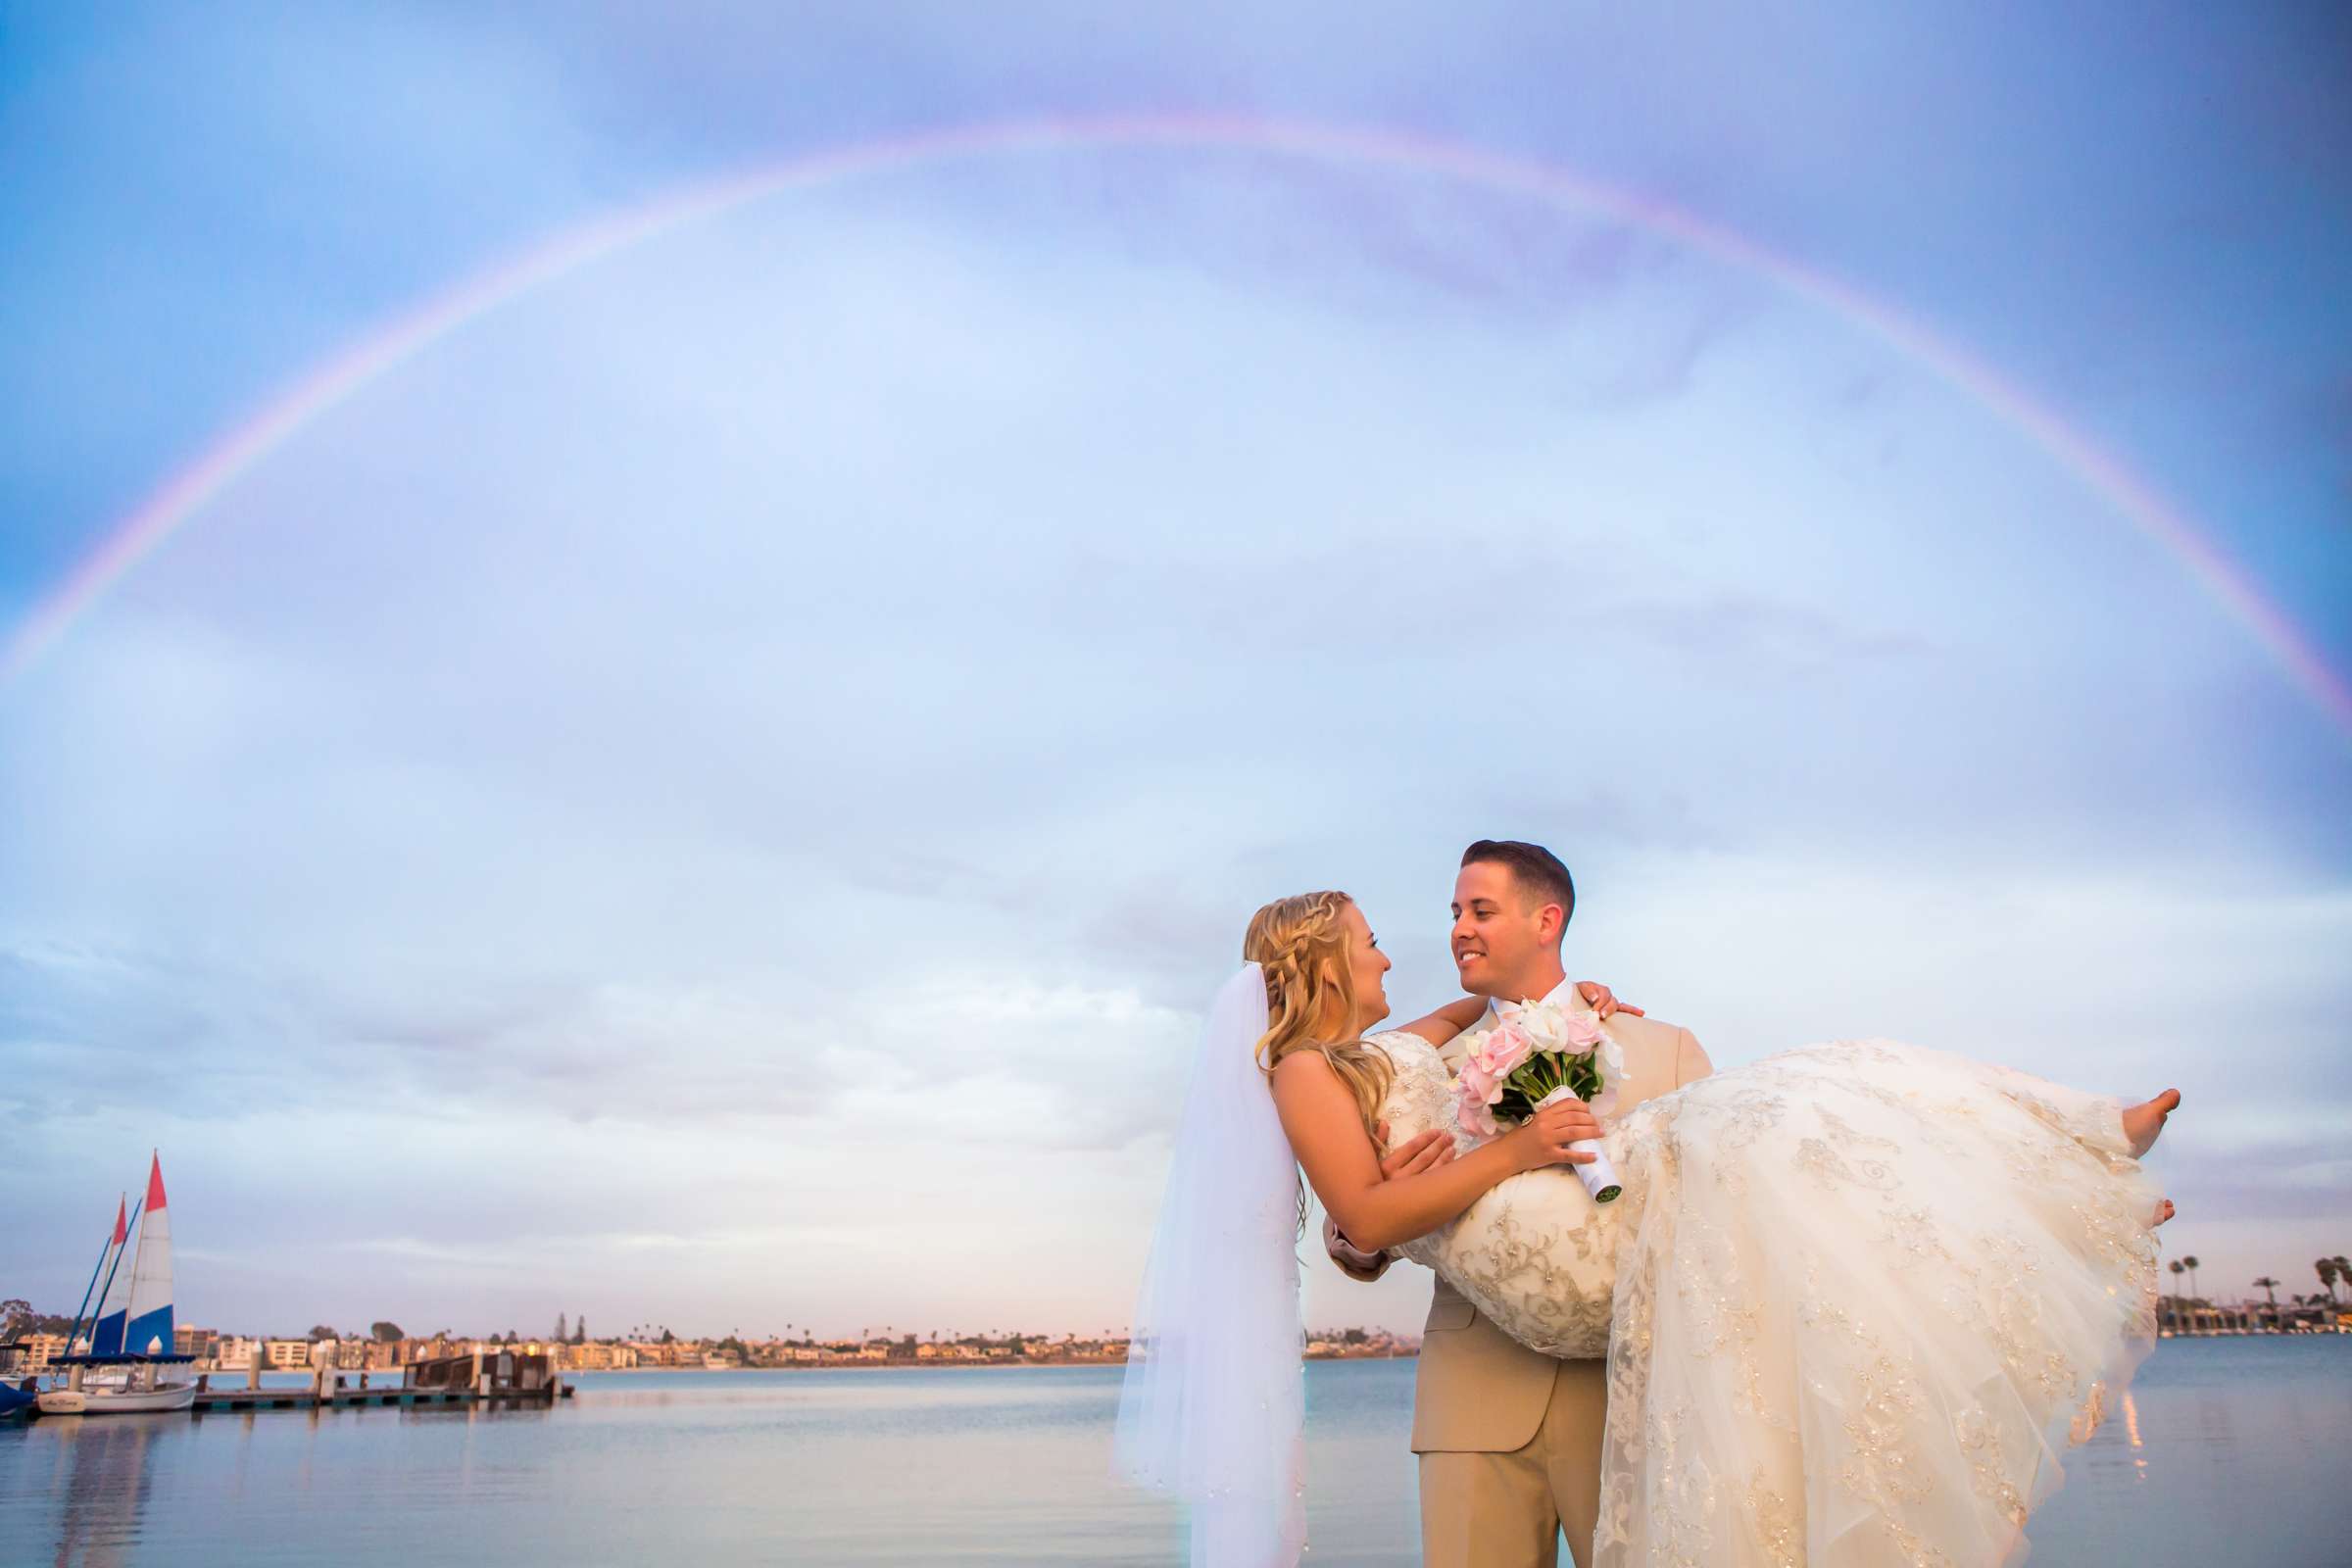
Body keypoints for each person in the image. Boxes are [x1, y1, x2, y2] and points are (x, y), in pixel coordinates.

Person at [1116, 844, 2177, 1568]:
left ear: (1548, 916)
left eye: (1473, 911)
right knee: (1792, 1111)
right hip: (1477, 1398)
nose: (1439, 935)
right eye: (1437, 918)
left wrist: (1568, 1016)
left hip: (1634, 1389)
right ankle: (2052, 1158)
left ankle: (2051, 1163)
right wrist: (1367, 1228)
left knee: (1801, 1121)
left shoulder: (1654, 1044)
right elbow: (1364, 1221)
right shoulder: (1365, 1059)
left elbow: (1756, 1237)